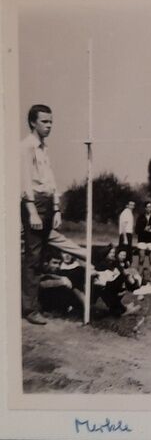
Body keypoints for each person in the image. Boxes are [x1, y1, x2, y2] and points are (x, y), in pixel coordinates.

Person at [20, 104, 62, 325]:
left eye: (51, 122)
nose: (49, 126)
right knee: (33, 256)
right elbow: (25, 181)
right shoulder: (26, 147)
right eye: (45, 122)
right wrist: (32, 211)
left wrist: (56, 208)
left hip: (47, 202)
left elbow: (51, 180)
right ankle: (29, 308)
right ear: (32, 123)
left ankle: (36, 303)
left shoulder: (44, 148)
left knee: (43, 255)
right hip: (34, 202)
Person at [135, 201, 151, 286]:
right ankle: (139, 277)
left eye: (150, 207)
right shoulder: (140, 217)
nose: (148, 209)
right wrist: (144, 229)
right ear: (145, 208)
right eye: (147, 207)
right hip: (142, 240)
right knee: (141, 259)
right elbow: (136, 230)